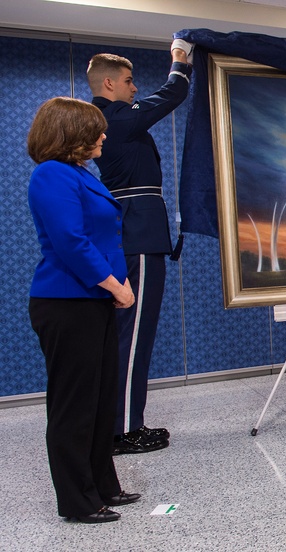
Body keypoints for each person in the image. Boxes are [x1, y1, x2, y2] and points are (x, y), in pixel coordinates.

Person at [27, 97, 141, 523]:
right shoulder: (51, 175)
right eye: (97, 129)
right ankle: (78, 502)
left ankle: (103, 485)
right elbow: (71, 241)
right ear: (71, 132)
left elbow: (102, 237)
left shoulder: (78, 173)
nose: (104, 135)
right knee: (74, 406)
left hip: (92, 300)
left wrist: (116, 284)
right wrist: (116, 285)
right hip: (66, 304)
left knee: (99, 399)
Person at [87, 40, 193, 455]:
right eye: (129, 82)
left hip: (132, 235)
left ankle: (121, 422)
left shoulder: (109, 120)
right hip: (140, 236)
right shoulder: (113, 117)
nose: (135, 89)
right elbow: (173, 95)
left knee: (127, 336)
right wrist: (179, 61)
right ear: (109, 84)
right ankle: (125, 429)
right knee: (134, 337)